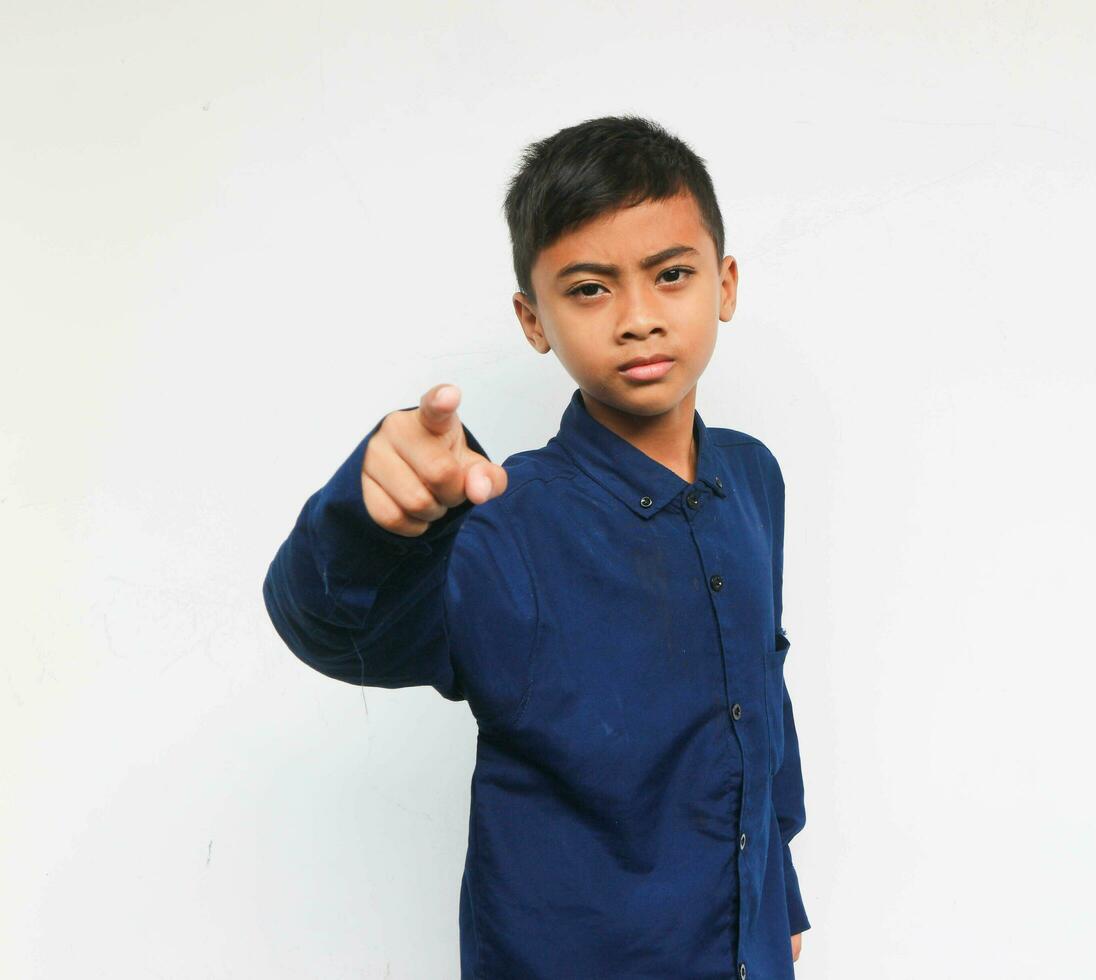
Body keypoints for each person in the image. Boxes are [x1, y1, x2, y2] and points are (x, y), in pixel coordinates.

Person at [262, 114, 811, 979]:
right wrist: (371, 522)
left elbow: (762, 688)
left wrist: (779, 891)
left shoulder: (754, 478)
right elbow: (330, 627)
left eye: (671, 275)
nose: (637, 318)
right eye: (590, 289)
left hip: (745, 949)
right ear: (533, 318)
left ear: (725, 283)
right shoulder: (504, 520)